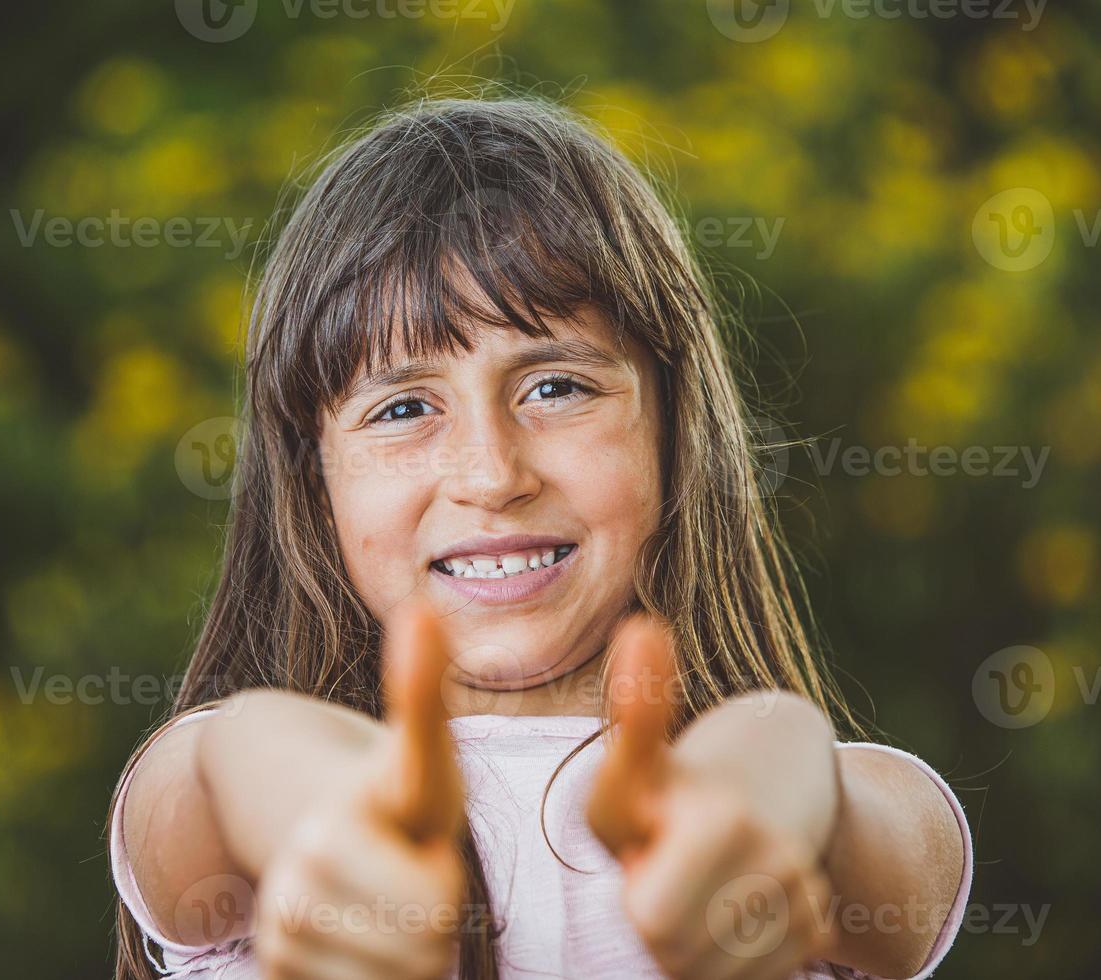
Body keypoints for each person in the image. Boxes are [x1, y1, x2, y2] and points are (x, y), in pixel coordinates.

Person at [108, 95, 971, 980]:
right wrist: (320, 810)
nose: (491, 474)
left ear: (677, 430)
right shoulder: (226, 810)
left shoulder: (837, 817)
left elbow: (867, 831)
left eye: (555, 387)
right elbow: (217, 771)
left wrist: (759, 785)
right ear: (311, 479)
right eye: (404, 408)